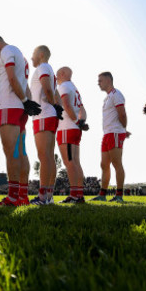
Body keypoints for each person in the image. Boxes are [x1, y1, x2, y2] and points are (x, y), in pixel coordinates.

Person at [0, 35, 41, 206]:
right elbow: (25, 86)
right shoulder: (21, 56)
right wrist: (28, 103)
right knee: (20, 152)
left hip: (9, 107)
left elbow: (12, 78)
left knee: (11, 153)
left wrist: (25, 101)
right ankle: (22, 196)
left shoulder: (7, 50)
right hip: (20, 109)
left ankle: (13, 197)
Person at [29, 46, 63, 205]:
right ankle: (48, 196)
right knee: (48, 155)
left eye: (33, 54)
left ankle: (43, 197)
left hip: (43, 114)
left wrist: (53, 105)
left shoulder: (43, 67)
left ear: (41, 55)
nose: (31, 58)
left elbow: (48, 89)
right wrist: (57, 106)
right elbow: (55, 92)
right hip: (47, 114)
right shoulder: (49, 69)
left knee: (44, 156)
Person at [92, 72, 130, 202]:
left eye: (100, 80)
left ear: (108, 80)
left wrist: (123, 130)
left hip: (114, 133)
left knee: (116, 163)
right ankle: (102, 194)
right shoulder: (107, 97)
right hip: (107, 133)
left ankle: (119, 195)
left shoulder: (116, 94)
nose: (98, 83)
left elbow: (122, 114)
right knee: (104, 164)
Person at [56, 66, 88, 204]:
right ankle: (78, 194)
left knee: (69, 162)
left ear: (62, 74)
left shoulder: (63, 86)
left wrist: (75, 121)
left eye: (57, 75)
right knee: (75, 162)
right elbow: (82, 109)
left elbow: (66, 105)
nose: (56, 79)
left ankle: (74, 195)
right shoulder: (74, 88)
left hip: (66, 128)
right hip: (74, 129)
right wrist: (80, 122)